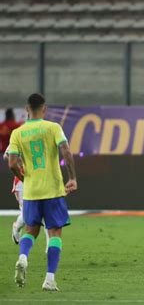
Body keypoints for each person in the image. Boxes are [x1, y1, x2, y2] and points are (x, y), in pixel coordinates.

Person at [7, 93, 77, 291]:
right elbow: (66, 150)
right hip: (53, 190)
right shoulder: (53, 128)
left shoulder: (17, 133)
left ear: (27, 109)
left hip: (31, 191)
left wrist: (24, 178)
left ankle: (23, 257)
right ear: (44, 109)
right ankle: (49, 279)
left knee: (30, 230)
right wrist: (72, 178)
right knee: (55, 233)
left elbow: (12, 163)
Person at [4, 145, 49, 249]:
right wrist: (18, 160)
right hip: (22, 182)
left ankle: (49, 248)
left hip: (39, 180)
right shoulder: (20, 136)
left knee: (45, 214)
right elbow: (6, 156)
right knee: (27, 214)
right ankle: (17, 226)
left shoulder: (41, 139)